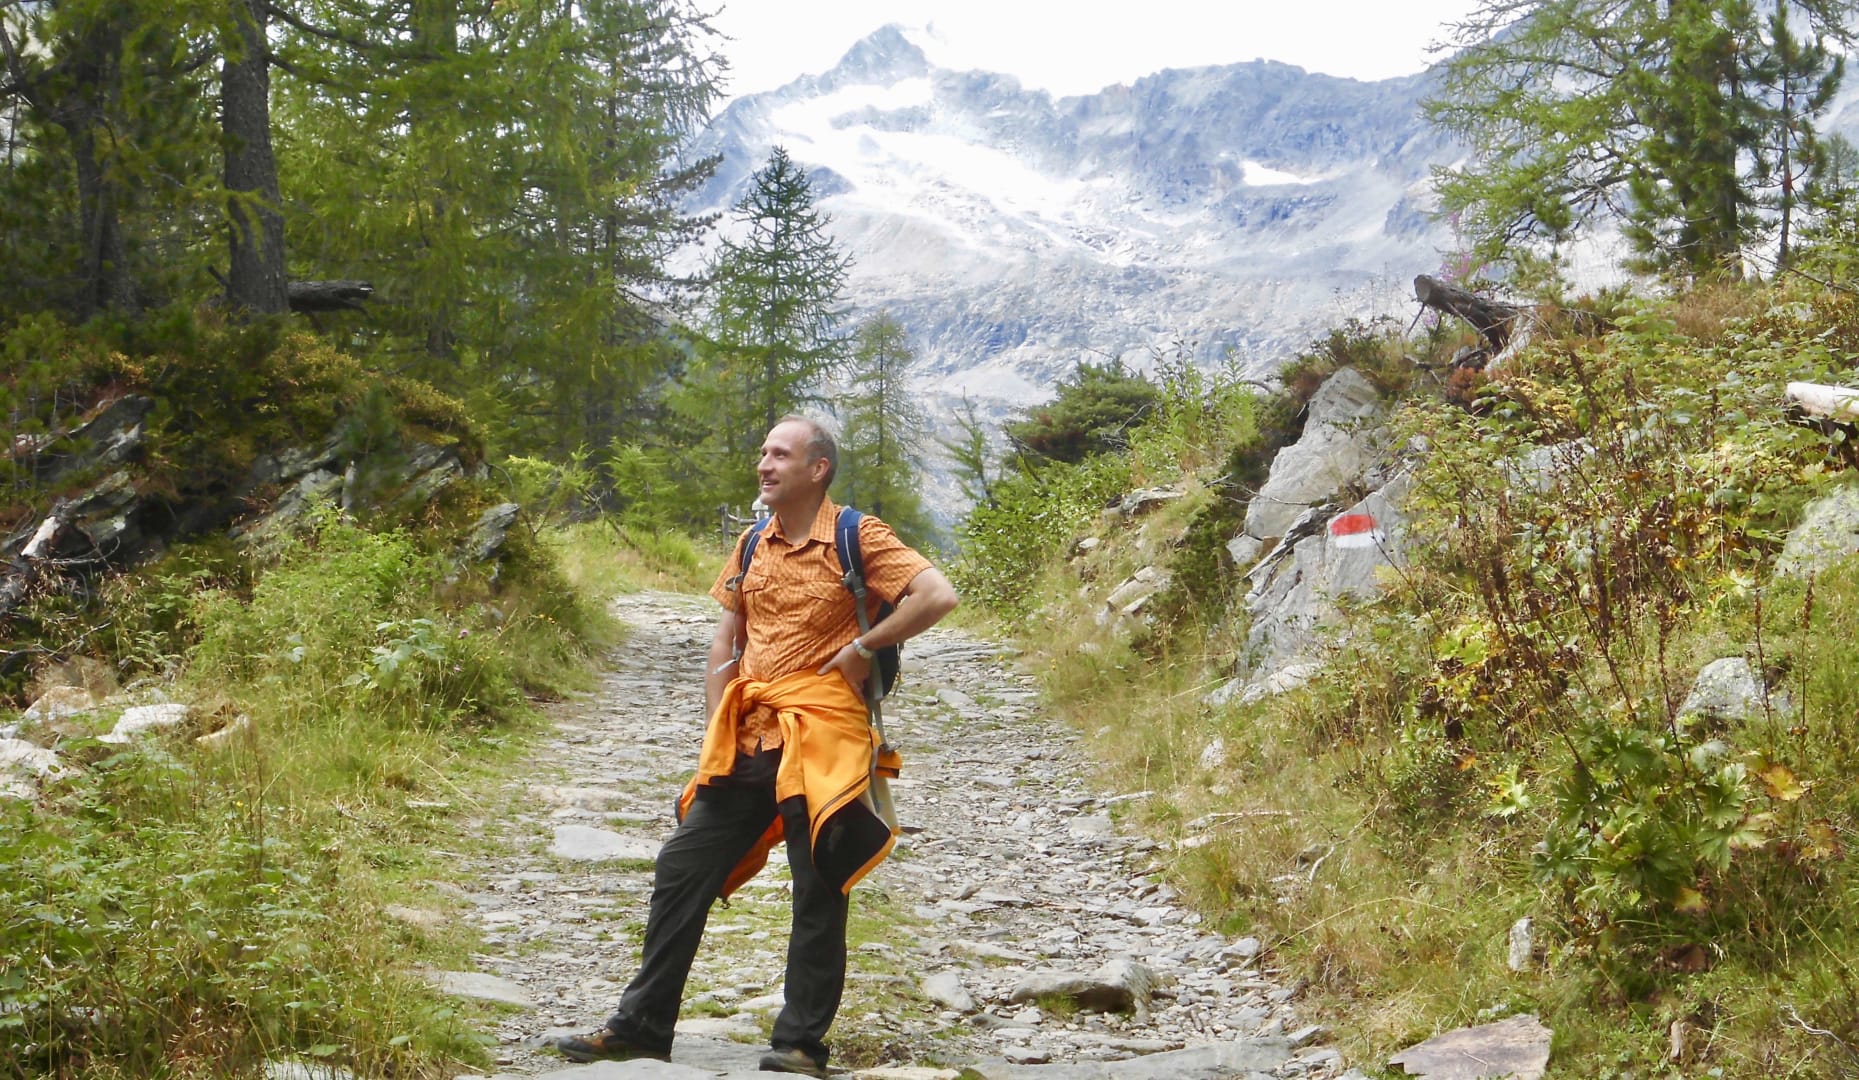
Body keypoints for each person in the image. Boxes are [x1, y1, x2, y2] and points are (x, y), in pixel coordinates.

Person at [554, 416, 958, 1077]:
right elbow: (726, 638)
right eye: (762, 453)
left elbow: (936, 594)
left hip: (824, 736)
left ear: (817, 469)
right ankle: (642, 1029)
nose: (764, 464)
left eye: (780, 454)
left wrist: (864, 647)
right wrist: (718, 724)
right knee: (681, 865)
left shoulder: (856, 536)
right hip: (749, 735)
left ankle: (800, 1045)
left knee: (819, 881)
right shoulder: (751, 543)